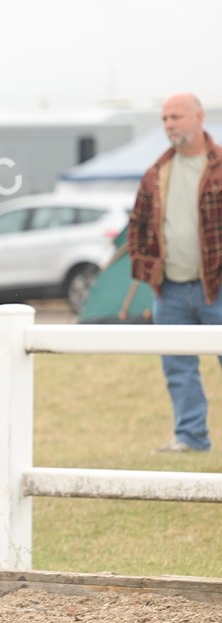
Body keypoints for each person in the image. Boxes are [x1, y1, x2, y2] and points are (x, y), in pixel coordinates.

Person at [128, 92, 222, 453]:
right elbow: (137, 226)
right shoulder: (156, 173)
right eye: (165, 119)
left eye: (176, 117)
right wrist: (148, 270)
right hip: (170, 290)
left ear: (199, 117)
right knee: (178, 368)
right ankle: (191, 438)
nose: (169, 125)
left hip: (216, 287)